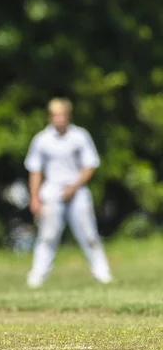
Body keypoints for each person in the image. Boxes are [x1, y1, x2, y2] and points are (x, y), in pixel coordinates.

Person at [24, 98, 112, 288]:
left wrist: (73, 186)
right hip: (52, 191)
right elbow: (35, 170)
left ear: (68, 116)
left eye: (61, 115)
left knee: (89, 234)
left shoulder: (80, 136)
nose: (58, 119)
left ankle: (102, 272)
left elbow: (90, 165)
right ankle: (37, 275)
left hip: (76, 189)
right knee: (48, 235)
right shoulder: (41, 140)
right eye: (54, 115)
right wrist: (34, 197)